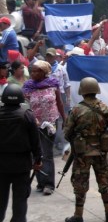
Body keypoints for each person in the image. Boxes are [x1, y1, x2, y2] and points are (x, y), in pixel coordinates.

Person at [64, 77, 108, 222]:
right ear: (96, 91)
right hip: (101, 152)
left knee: (80, 183)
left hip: (82, 154)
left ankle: (78, 216)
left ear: (82, 92)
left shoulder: (76, 110)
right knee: (105, 182)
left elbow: (66, 133)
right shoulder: (105, 108)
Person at [22, 60, 65, 196]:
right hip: (33, 124)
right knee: (36, 153)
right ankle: (40, 182)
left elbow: (59, 103)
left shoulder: (53, 85)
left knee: (46, 153)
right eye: (32, 71)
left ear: (44, 72)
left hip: (50, 123)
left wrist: (65, 118)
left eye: (36, 71)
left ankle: (49, 184)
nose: (33, 73)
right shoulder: (28, 87)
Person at [0, 85, 42, 222]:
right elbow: (35, 141)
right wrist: (38, 159)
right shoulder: (27, 115)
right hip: (21, 165)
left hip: (1, 165)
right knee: (20, 201)